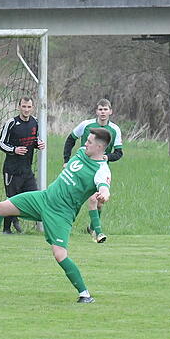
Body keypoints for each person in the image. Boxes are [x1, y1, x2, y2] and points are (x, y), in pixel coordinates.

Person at [0, 128, 113, 304]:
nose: (85, 143)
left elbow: (104, 188)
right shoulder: (81, 152)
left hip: (61, 214)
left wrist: (104, 195)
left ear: (100, 147)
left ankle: (84, 294)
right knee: (0, 208)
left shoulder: (102, 171)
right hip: (44, 198)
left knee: (59, 254)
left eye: (90, 142)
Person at [63, 98, 123, 243]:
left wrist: (106, 157)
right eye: (100, 109)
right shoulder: (86, 125)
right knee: (83, 197)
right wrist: (66, 160)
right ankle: (97, 231)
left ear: (110, 111)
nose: (103, 112)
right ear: (96, 111)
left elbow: (119, 153)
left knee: (99, 201)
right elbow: (70, 140)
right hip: (82, 166)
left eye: (105, 109)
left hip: (99, 167)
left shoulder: (114, 129)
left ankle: (92, 226)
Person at [0, 96, 46, 234]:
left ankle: (17, 218)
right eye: (24, 106)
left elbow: (34, 140)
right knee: (11, 199)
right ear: (19, 107)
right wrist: (14, 149)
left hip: (27, 169)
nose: (26, 109)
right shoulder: (11, 123)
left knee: (34, 197)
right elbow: (0, 143)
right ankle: (6, 229)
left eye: (29, 107)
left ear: (32, 108)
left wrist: (38, 144)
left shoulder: (35, 122)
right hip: (12, 170)